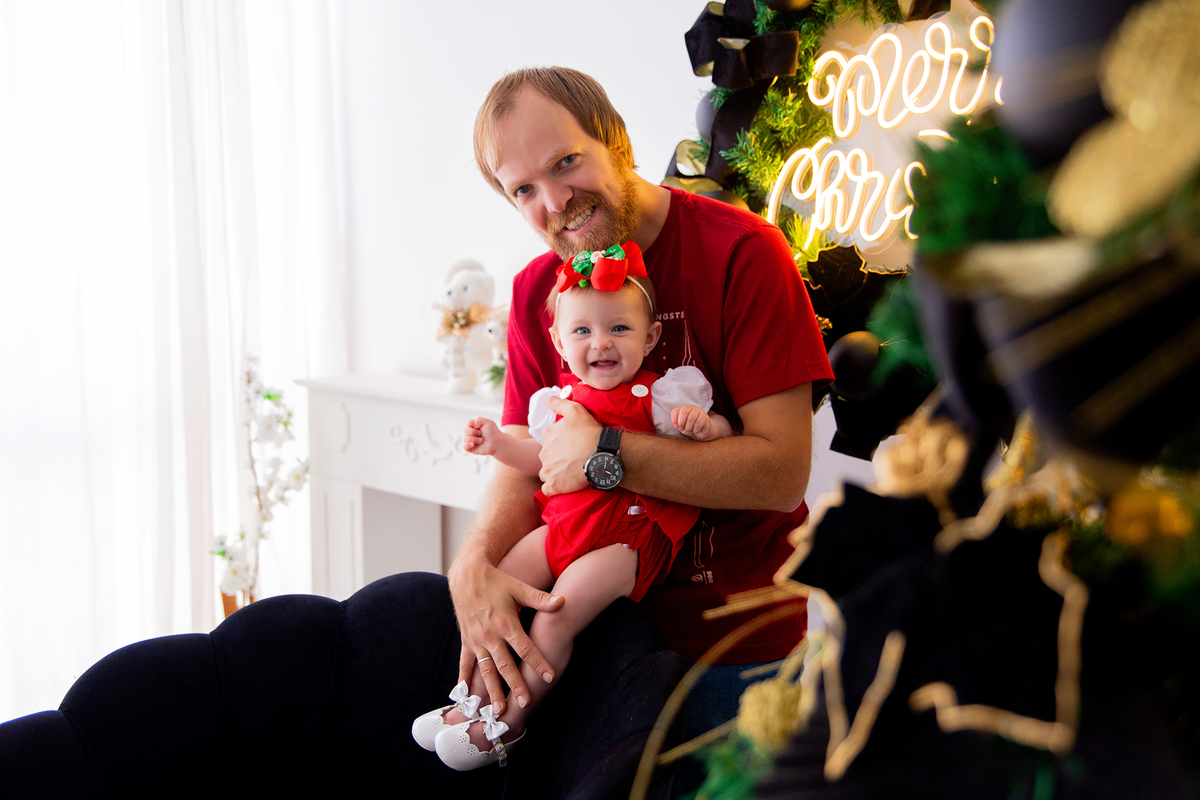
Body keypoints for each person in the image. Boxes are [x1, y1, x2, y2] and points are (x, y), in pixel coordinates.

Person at [448, 66, 833, 749]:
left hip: (732, 647)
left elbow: (780, 475)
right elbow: (522, 456)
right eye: (524, 190)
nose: (556, 200)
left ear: (617, 144)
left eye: (567, 162)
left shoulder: (743, 253)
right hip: (591, 636)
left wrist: (606, 455)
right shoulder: (538, 289)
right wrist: (474, 559)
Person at [414, 242, 732, 769]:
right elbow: (538, 457)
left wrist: (706, 426)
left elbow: (715, 440)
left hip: (625, 537)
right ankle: (471, 699)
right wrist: (497, 442)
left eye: (619, 329)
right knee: (501, 585)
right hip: (565, 525)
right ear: (559, 342)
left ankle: (510, 722)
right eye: (583, 331)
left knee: (555, 616)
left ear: (650, 337)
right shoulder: (559, 401)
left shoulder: (659, 397)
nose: (600, 344)